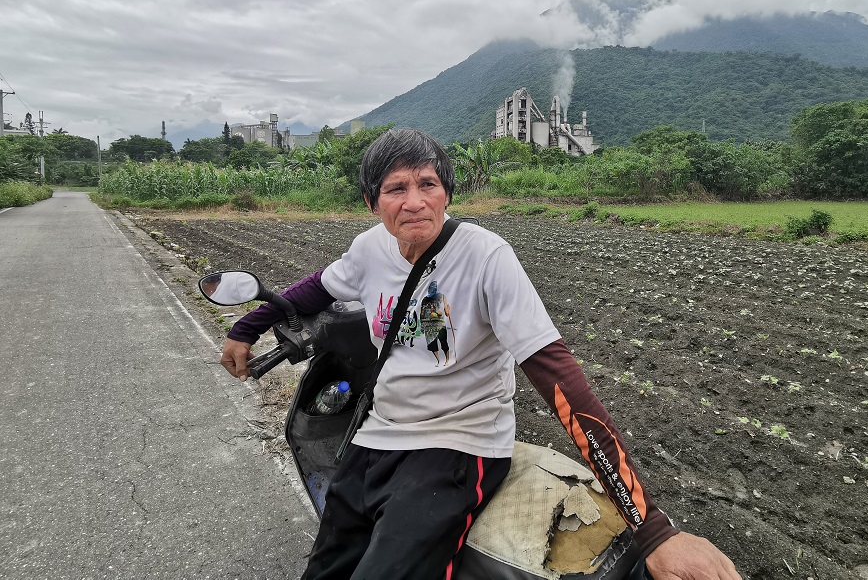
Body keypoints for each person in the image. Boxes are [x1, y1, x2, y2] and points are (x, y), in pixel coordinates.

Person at [221, 128, 740, 580]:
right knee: (328, 562)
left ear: (447, 192)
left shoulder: (486, 256)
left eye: (428, 184)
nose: (414, 201)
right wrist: (248, 326)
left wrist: (653, 531)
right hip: (378, 432)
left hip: (457, 445)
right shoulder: (369, 250)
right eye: (395, 188)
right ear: (371, 202)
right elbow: (316, 290)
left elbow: (558, 376)